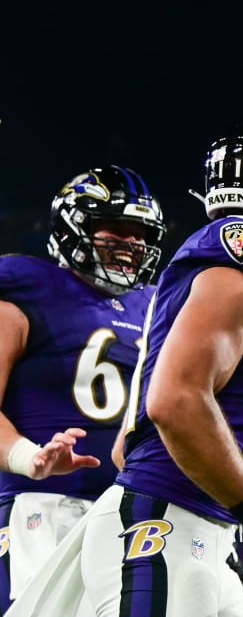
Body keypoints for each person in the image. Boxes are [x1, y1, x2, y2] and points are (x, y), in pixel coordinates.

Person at [7, 118, 243, 617]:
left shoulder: (156, 298)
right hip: (144, 519)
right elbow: (176, 403)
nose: (128, 244)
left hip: (178, 523)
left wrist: (220, 542)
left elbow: (129, 444)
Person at [0, 165, 165, 612]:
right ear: (75, 224)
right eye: (118, 228)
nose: (132, 243)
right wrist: (29, 458)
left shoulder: (153, 304)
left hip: (129, 513)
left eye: (141, 234)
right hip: (40, 506)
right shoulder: (27, 284)